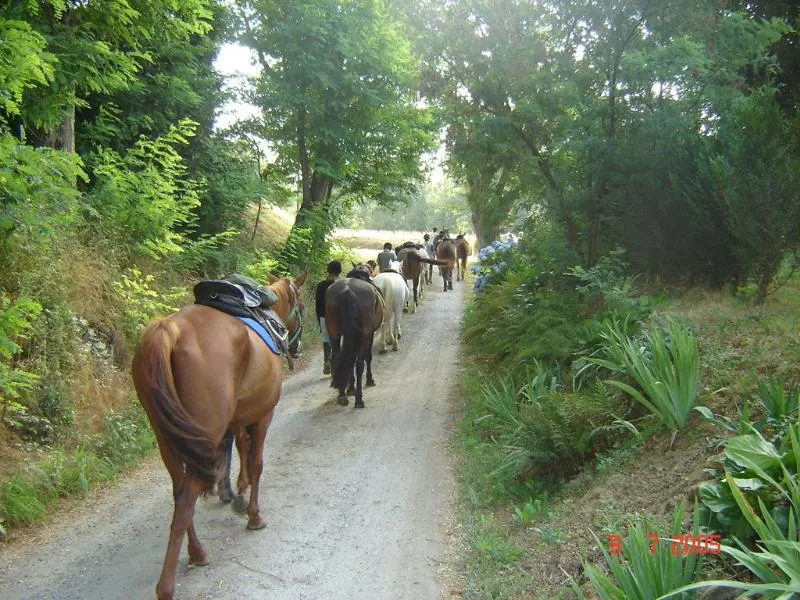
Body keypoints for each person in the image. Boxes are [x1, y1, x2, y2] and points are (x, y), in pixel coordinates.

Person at [315, 260, 342, 375]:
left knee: (326, 339)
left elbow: (317, 305)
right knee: (336, 340)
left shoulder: (321, 285)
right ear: (339, 272)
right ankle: (334, 364)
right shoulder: (341, 286)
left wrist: (319, 320)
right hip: (338, 317)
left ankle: (327, 359)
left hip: (323, 316)